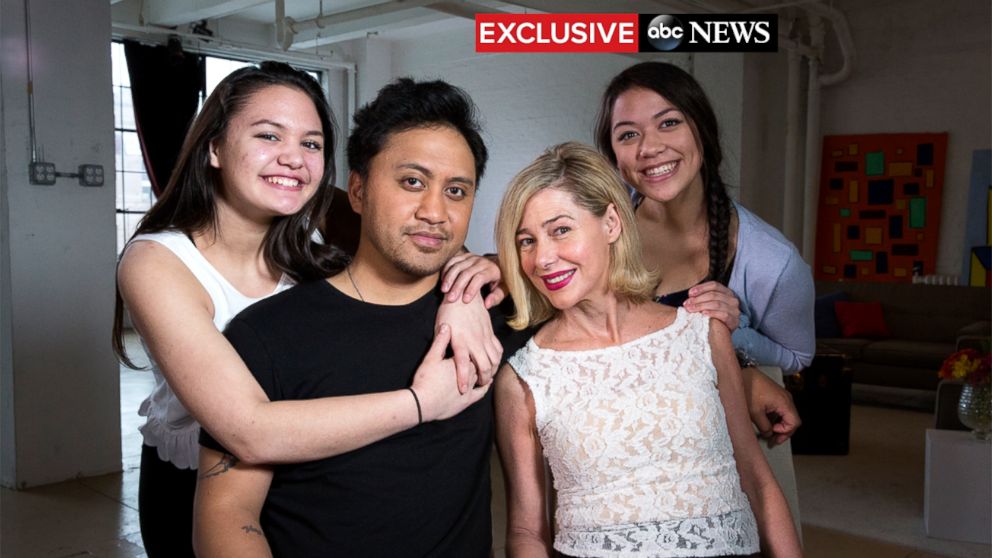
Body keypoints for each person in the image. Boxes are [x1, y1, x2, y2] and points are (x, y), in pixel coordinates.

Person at [113, 63, 500, 557]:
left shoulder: (318, 223)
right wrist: (422, 402)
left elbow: (425, 234)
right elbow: (247, 430)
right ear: (213, 147)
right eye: (269, 135)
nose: (293, 159)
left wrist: (467, 289)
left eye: (312, 144)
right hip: (195, 476)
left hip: (294, 473)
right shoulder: (157, 261)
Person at [494, 142, 803, 558]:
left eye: (561, 230)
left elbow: (757, 479)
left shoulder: (702, 333)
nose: (543, 258)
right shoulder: (524, 377)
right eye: (526, 241)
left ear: (611, 223)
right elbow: (527, 532)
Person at [594, 61, 815, 445]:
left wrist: (734, 334)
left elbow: (797, 356)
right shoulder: (597, 227)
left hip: (711, 446)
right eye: (628, 134)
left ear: (703, 130)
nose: (649, 148)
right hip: (611, 434)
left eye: (669, 123)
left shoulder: (772, 261)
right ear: (613, 154)